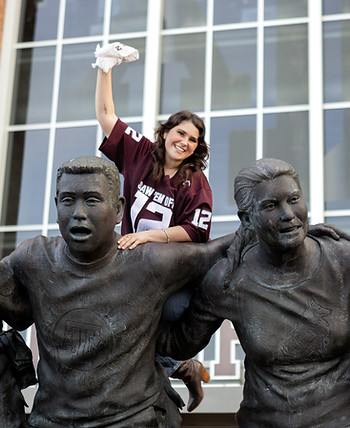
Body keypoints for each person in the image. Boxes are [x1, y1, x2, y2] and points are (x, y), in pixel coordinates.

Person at [0, 155, 234, 427]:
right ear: (56, 206)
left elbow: (217, 252)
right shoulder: (33, 259)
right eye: (67, 200)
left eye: (91, 200)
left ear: (119, 209)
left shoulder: (148, 262)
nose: (79, 213)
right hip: (52, 420)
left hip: (133, 419)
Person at [157, 157, 350, 427]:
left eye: (293, 199)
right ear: (248, 218)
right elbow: (176, 343)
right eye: (271, 206)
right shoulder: (229, 280)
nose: (288, 214)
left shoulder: (342, 261)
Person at [94, 42, 213, 411]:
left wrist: (149, 235)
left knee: (153, 315)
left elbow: (196, 231)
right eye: (180, 133)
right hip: (132, 268)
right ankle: (178, 367)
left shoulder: (196, 181)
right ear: (165, 132)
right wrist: (104, 68)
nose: (185, 142)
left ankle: (176, 364)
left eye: (193, 139)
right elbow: (106, 116)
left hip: (172, 276)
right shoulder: (142, 153)